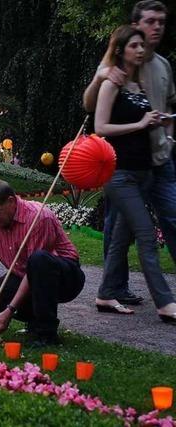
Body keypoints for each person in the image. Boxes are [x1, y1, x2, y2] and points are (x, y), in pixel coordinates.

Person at [83, 0, 176, 306]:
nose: (157, 28)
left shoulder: (158, 67)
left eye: (161, 22)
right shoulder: (115, 71)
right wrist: (101, 78)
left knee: (165, 222)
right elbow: (94, 113)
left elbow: (168, 107)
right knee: (129, 231)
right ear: (136, 26)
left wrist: (168, 137)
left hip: (156, 162)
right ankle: (154, 299)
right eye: (150, 22)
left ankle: (107, 293)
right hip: (122, 168)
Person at [0, 179, 85, 346]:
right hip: (24, 275)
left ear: (11, 201)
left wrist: (10, 310)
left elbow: (36, 268)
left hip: (63, 276)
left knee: (38, 260)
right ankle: (34, 319)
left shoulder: (39, 217)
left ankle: (47, 333)